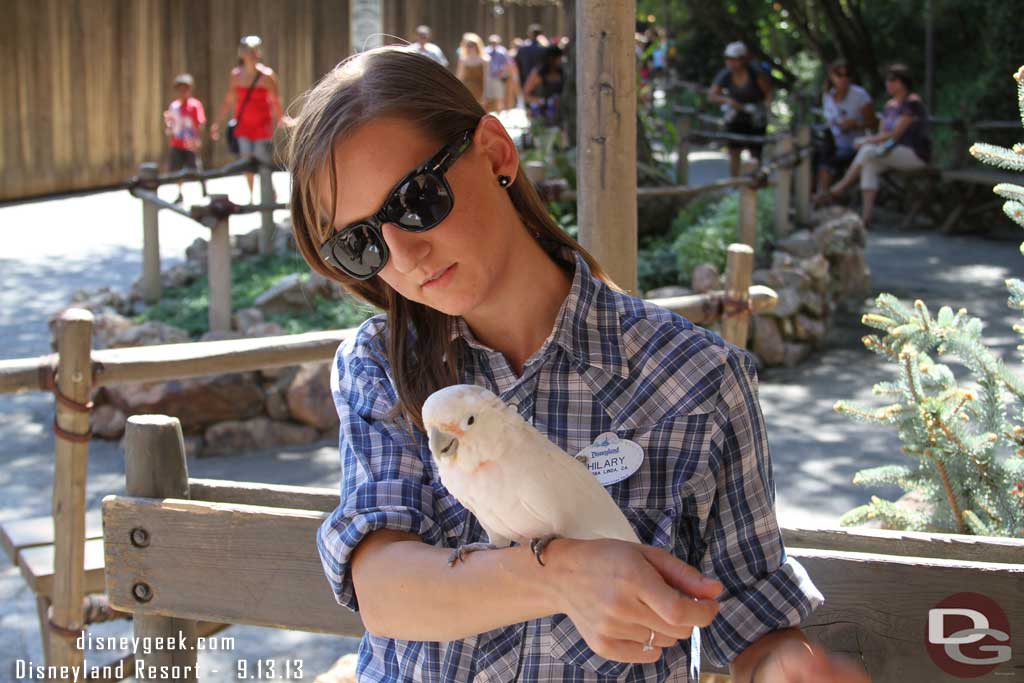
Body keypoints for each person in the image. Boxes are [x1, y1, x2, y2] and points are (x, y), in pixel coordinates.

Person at [287, 46, 870, 683]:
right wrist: (561, 574)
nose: (404, 256)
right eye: (361, 240)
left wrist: (789, 668)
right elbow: (384, 588)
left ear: (495, 152)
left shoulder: (700, 379)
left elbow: (752, 626)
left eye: (416, 199)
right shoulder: (383, 367)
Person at [824, 63, 932, 228]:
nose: (888, 84)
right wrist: (869, 141)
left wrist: (866, 141)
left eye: (892, 80)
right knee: (870, 164)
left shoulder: (912, 103)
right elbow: (881, 135)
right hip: (890, 152)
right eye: (887, 80)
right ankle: (866, 218)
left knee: (867, 151)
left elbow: (896, 134)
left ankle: (839, 187)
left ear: (902, 82)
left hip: (914, 153)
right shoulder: (890, 106)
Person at [210, 35, 284, 203]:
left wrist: (281, 119)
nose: (249, 54)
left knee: (263, 161)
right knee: (246, 161)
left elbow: (275, 100)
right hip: (243, 126)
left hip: (262, 127)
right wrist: (217, 123)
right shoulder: (236, 75)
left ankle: (268, 196)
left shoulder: (267, 76)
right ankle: (251, 196)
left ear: (258, 53)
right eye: (246, 50)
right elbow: (229, 99)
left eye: (252, 50)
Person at [708, 41, 774, 177]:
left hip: (755, 117)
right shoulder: (726, 74)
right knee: (734, 152)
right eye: (728, 59)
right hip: (736, 117)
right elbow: (712, 95)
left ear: (743, 60)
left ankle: (755, 183)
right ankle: (734, 185)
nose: (730, 63)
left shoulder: (756, 73)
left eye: (734, 59)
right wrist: (729, 101)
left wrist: (764, 110)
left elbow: (768, 93)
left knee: (755, 153)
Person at [814, 59, 877, 199]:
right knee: (816, 153)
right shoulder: (828, 95)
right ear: (832, 76)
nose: (843, 79)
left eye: (847, 75)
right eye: (839, 75)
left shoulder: (860, 95)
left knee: (831, 157)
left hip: (854, 144)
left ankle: (826, 195)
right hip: (833, 141)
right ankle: (821, 193)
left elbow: (873, 123)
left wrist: (854, 124)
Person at [163, 73, 206, 204]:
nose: (183, 92)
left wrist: (197, 138)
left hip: (190, 143)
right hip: (177, 142)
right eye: (180, 89)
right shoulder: (174, 106)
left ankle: (204, 187)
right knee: (177, 169)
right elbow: (170, 122)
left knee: (195, 168)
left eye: (185, 88)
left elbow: (200, 123)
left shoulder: (195, 105)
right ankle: (179, 192)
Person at [522, 45, 564, 125]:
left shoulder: (562, 72)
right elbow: (525, 95)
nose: (561, 61)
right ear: (551, 59)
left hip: (559, 117)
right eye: (558, 58)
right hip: (541, 117)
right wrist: (543, 101)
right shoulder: (538, 74)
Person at [455, 33, 489, 107]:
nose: (470, 48)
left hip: (480, 88)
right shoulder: (463, 60)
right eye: (468, 45)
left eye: (472, 45)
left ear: (477, 46)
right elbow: (460, 76)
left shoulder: (484, 60)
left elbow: (486, 78)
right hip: (467, 89)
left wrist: (486, 93)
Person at [514, 23, 548, 96]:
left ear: (529, 34)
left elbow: (517, 63)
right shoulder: (543, 49)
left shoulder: (523, 48)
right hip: (539, 79)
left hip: (525, 77)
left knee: (527, 98)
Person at [484, 34, 510, 113]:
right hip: (488, 78)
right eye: (492, 42)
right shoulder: (485, 51)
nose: (494, 44)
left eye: (495, 42)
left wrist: (501, 73)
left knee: (499, 97)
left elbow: (506, 64)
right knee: (487, 97)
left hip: (498, 78)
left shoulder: (502, 51)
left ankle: (499, 114)